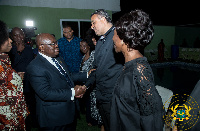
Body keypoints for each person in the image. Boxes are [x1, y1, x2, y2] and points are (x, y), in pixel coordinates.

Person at [110, 9, 165, 131]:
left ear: (124, 38)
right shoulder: (129, 65)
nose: (112, 38)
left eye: (114, 34)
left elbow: (153, 116)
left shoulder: (140, 70)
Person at [26, 33, 87, 131]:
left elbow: (68, 76)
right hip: (53, 118)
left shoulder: (58, 58)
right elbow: (45, 93)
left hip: (68, 113)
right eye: (53, 44)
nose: (57, 45)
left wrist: (87, 74)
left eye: (56, 43)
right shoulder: (35, 67)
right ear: (41, 47)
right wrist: (73, 92)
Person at [81, 9, 124, 131]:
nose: (92, 26)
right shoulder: (100, 41)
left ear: (103, 19)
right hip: (102, 95)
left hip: (114, 96)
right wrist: (86, 86)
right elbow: (97, 68)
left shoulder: (118, 36)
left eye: (93, 23)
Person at [0, 20, 29, 130]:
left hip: (16, 114)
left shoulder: (4, 60)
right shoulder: (11, 53)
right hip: (7, 119)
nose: (10, 40)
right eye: (6, 38)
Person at [9, 27, 35, 129]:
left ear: (24, 35)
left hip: (29, 82)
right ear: (12, 37)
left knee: (31, 104)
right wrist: (19, 52)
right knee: (19, 106)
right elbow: (12, 65)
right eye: (16, 35)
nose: (19, 37)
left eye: (20, 34)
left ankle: (32, 123)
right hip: (16, 84)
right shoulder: (9, 49)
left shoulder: (29, 48)